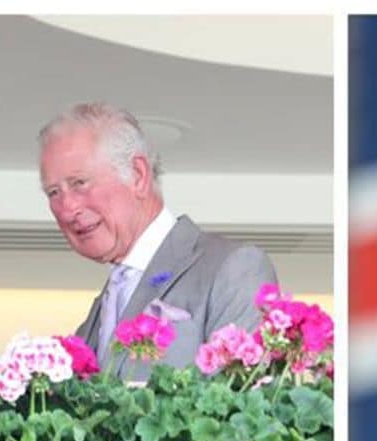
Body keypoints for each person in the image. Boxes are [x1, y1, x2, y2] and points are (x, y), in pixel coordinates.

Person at [38, 103, 278, 378]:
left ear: (138, 175)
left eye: (80, 183)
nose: (67, 208)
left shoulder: (234, 267)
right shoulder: (99, 312)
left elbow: (245, 411)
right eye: (53, 192)